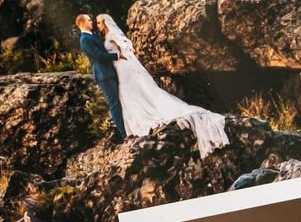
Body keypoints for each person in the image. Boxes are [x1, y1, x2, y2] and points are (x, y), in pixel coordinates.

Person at [96, 14, 230, 158]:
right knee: (129, 93)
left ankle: (142, 118)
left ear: (105, 22)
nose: (98, 25)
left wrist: (121, 54)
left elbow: (126, 44)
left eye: (99, 23)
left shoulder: (112, 34)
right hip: (121, 69)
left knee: (128, 92)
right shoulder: (108, 35)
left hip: (124, 68)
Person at [76, 13, 125, 140]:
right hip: (103, 74)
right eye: (89, 20)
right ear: (82, 23)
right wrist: (117, 55)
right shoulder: (85, 39)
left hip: (109, 72)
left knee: (118, 102)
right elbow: (98, 55)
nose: (91, 21)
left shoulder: (91, 36)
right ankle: (124, 134)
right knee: (114, 104)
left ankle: (127, 129)